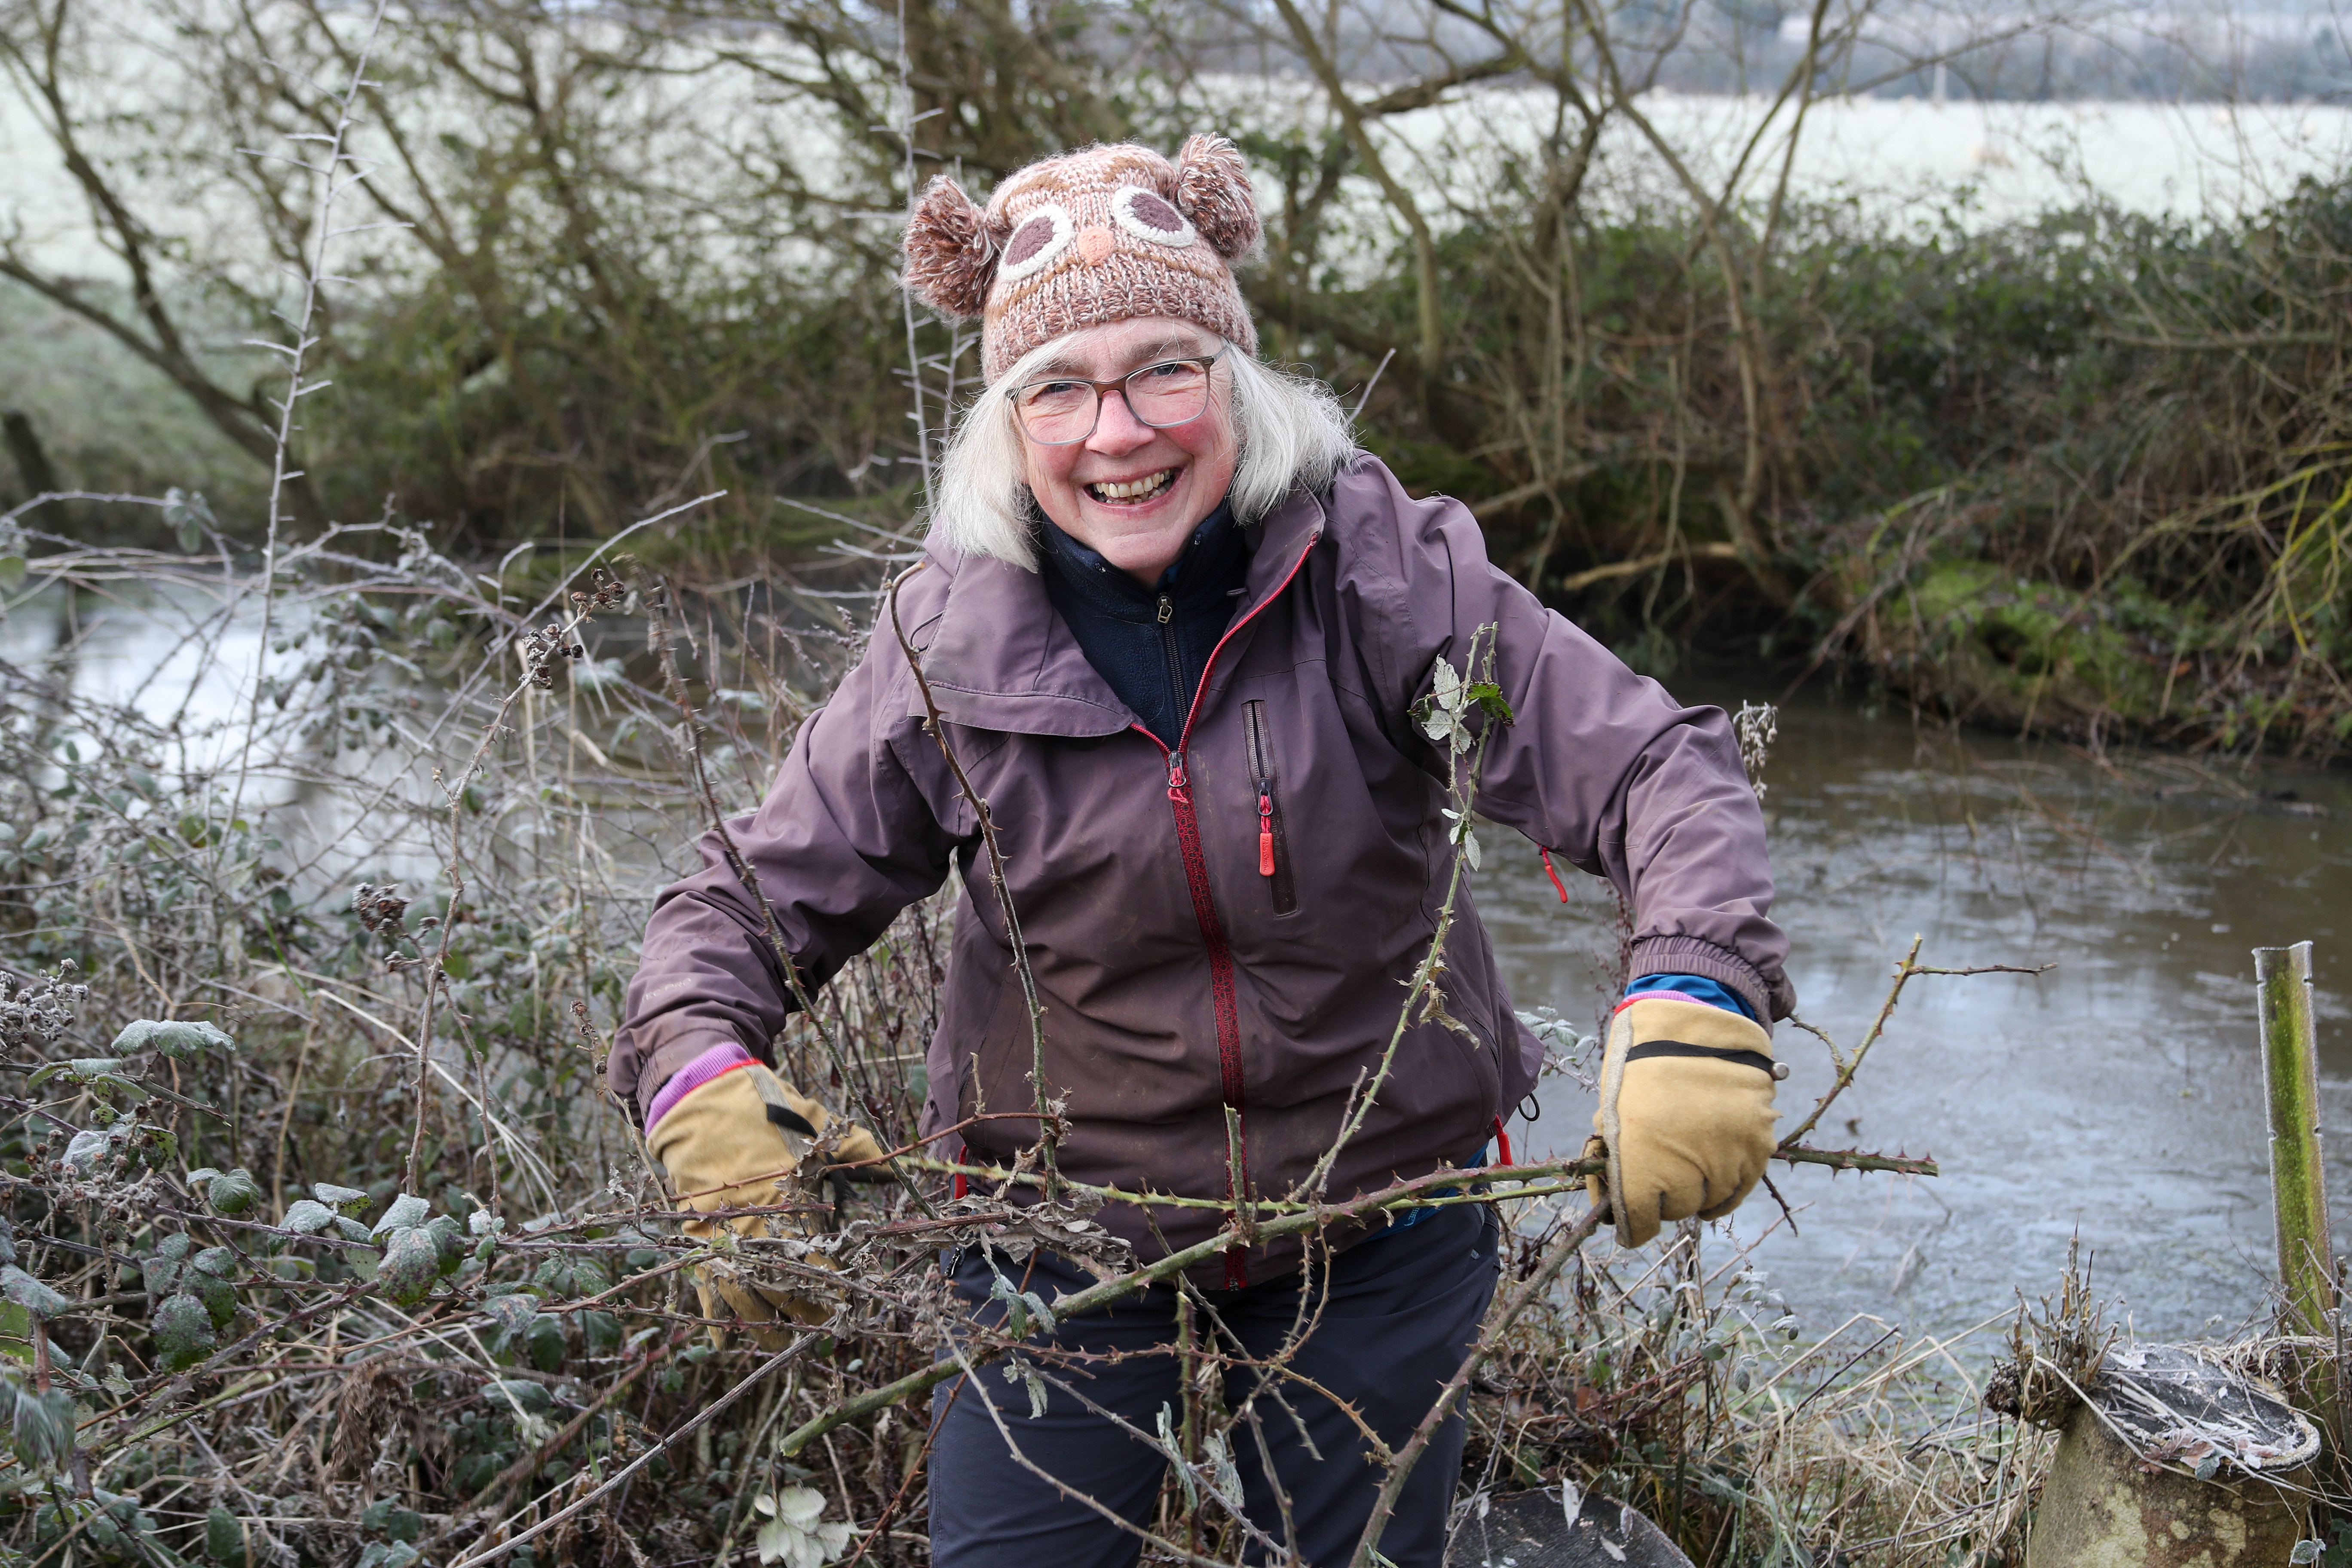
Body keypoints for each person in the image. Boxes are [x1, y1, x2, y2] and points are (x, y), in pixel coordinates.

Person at [611, 134, 1794, 1568]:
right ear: (1009, 423)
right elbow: (742, 900)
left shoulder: (1381, 575)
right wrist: (700, 1077)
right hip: (1056, 1247)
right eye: (1059, 387)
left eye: (1166, 367)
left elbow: (1656, 766)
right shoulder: (947, 642)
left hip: (1379, 1222)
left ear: (1237, 381)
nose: (1118, 432)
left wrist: (1697, 993)